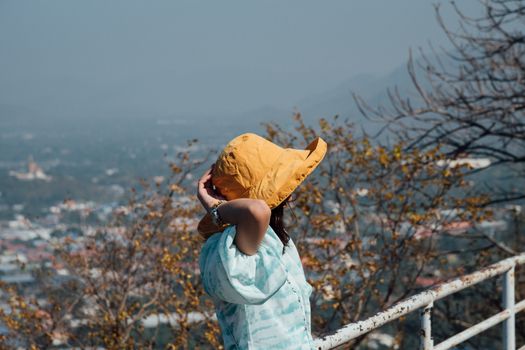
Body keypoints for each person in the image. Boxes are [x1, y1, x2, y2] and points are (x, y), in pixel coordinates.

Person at [197, 132, 327, 349]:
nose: (291, 194)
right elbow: (257, 210)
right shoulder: (230, 254)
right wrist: (214, 209)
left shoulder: (274, 240)